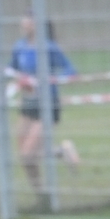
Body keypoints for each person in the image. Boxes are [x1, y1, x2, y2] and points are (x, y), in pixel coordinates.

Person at [11, 16, 80, 170]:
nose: (23, 24)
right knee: (24, 157)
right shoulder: (20, 47)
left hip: (48, 103)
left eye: (28, 21)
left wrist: (50, 80)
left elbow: (70, 71)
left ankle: (62, 152)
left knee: (28, 155)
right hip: (28, 103)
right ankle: (60, 152)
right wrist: (20, 82)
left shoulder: (48, 47)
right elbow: (12, 70)